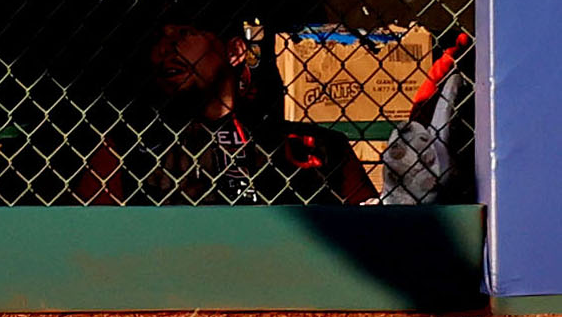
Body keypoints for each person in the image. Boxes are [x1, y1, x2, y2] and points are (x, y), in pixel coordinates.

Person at [73, 14, 376, 205]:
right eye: (158, 40)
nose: (164, 50)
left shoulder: (313, 145)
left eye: (183, 34)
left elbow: (369, 228)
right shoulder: (127, 148)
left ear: (234, 51)